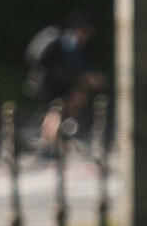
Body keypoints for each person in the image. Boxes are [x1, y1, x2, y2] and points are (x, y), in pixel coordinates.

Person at [26, 10, 106, 143]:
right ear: (83, 29)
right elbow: (79, 63)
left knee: (54, 111)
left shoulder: (61, 37)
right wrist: (94, 77)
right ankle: (53, 146)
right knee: (62, 108)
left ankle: (52, 145)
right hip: (51, 83)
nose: (87, 38)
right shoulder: (70, 39)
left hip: (39, 79)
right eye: (88, 33)